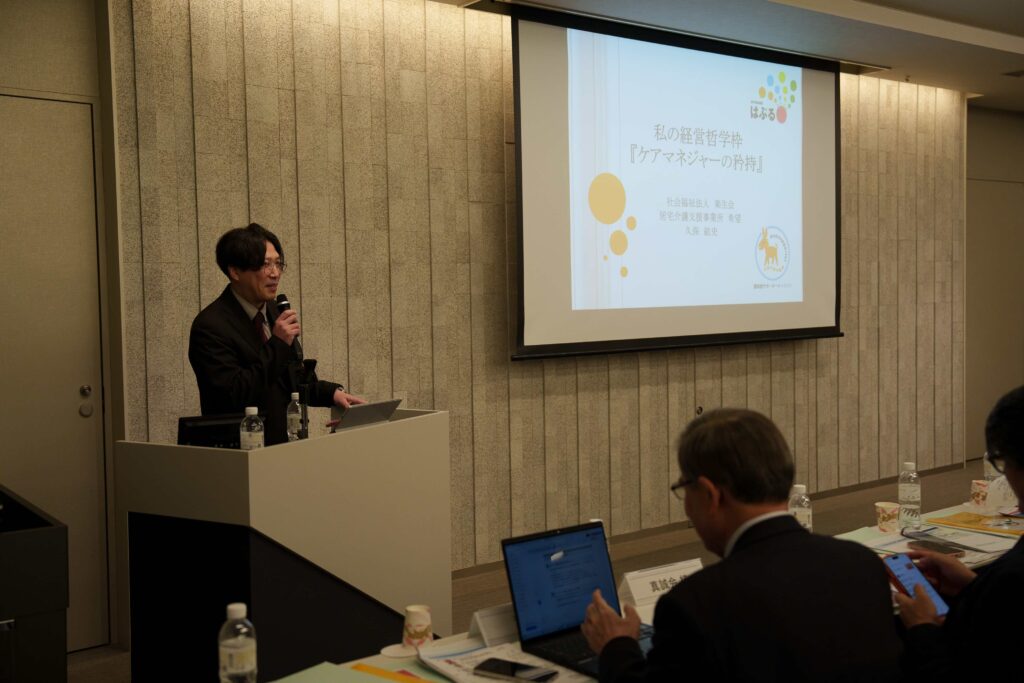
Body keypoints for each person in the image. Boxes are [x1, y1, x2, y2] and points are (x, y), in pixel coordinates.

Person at [581, 408, 903, 682]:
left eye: (684, 489)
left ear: (710, 495)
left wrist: (616, 646)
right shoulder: (862, 564)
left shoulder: (696, 605)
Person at [188, 223, 364, 444]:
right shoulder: (210, 326)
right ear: (235, 271)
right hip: (241, 450)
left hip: (283, 445)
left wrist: (332, 394)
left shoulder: (273, 311)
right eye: (265, 264)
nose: (275, 273)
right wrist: (278, 344)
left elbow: (290, 378)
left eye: (278, 263)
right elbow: (234, 395)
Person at [896, 385, 1024, 681]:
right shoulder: (1008, 580)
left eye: (1002, 462)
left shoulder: (1014, 577)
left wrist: (922, 627)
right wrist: (974, 587)